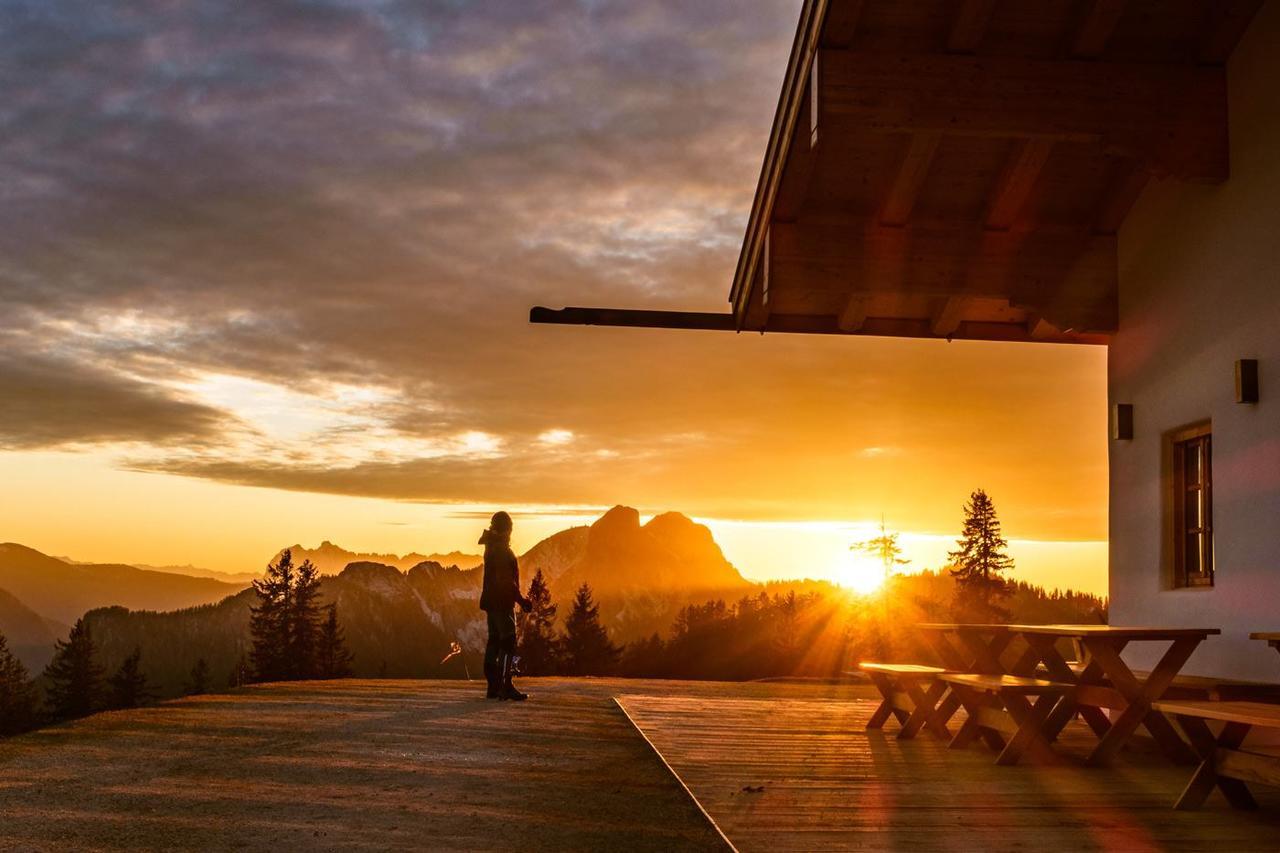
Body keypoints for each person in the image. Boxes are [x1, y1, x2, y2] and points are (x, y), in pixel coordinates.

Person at [479, 511, 532, 700]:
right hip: (502, 602)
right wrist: (521, 600)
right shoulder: (501, 549)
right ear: (506, 529)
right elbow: (507, 581)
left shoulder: (492, 546)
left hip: (491, 602)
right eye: (509, 528)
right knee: (508, 642)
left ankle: (493, 686)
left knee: (494, 641)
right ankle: (505, 686)